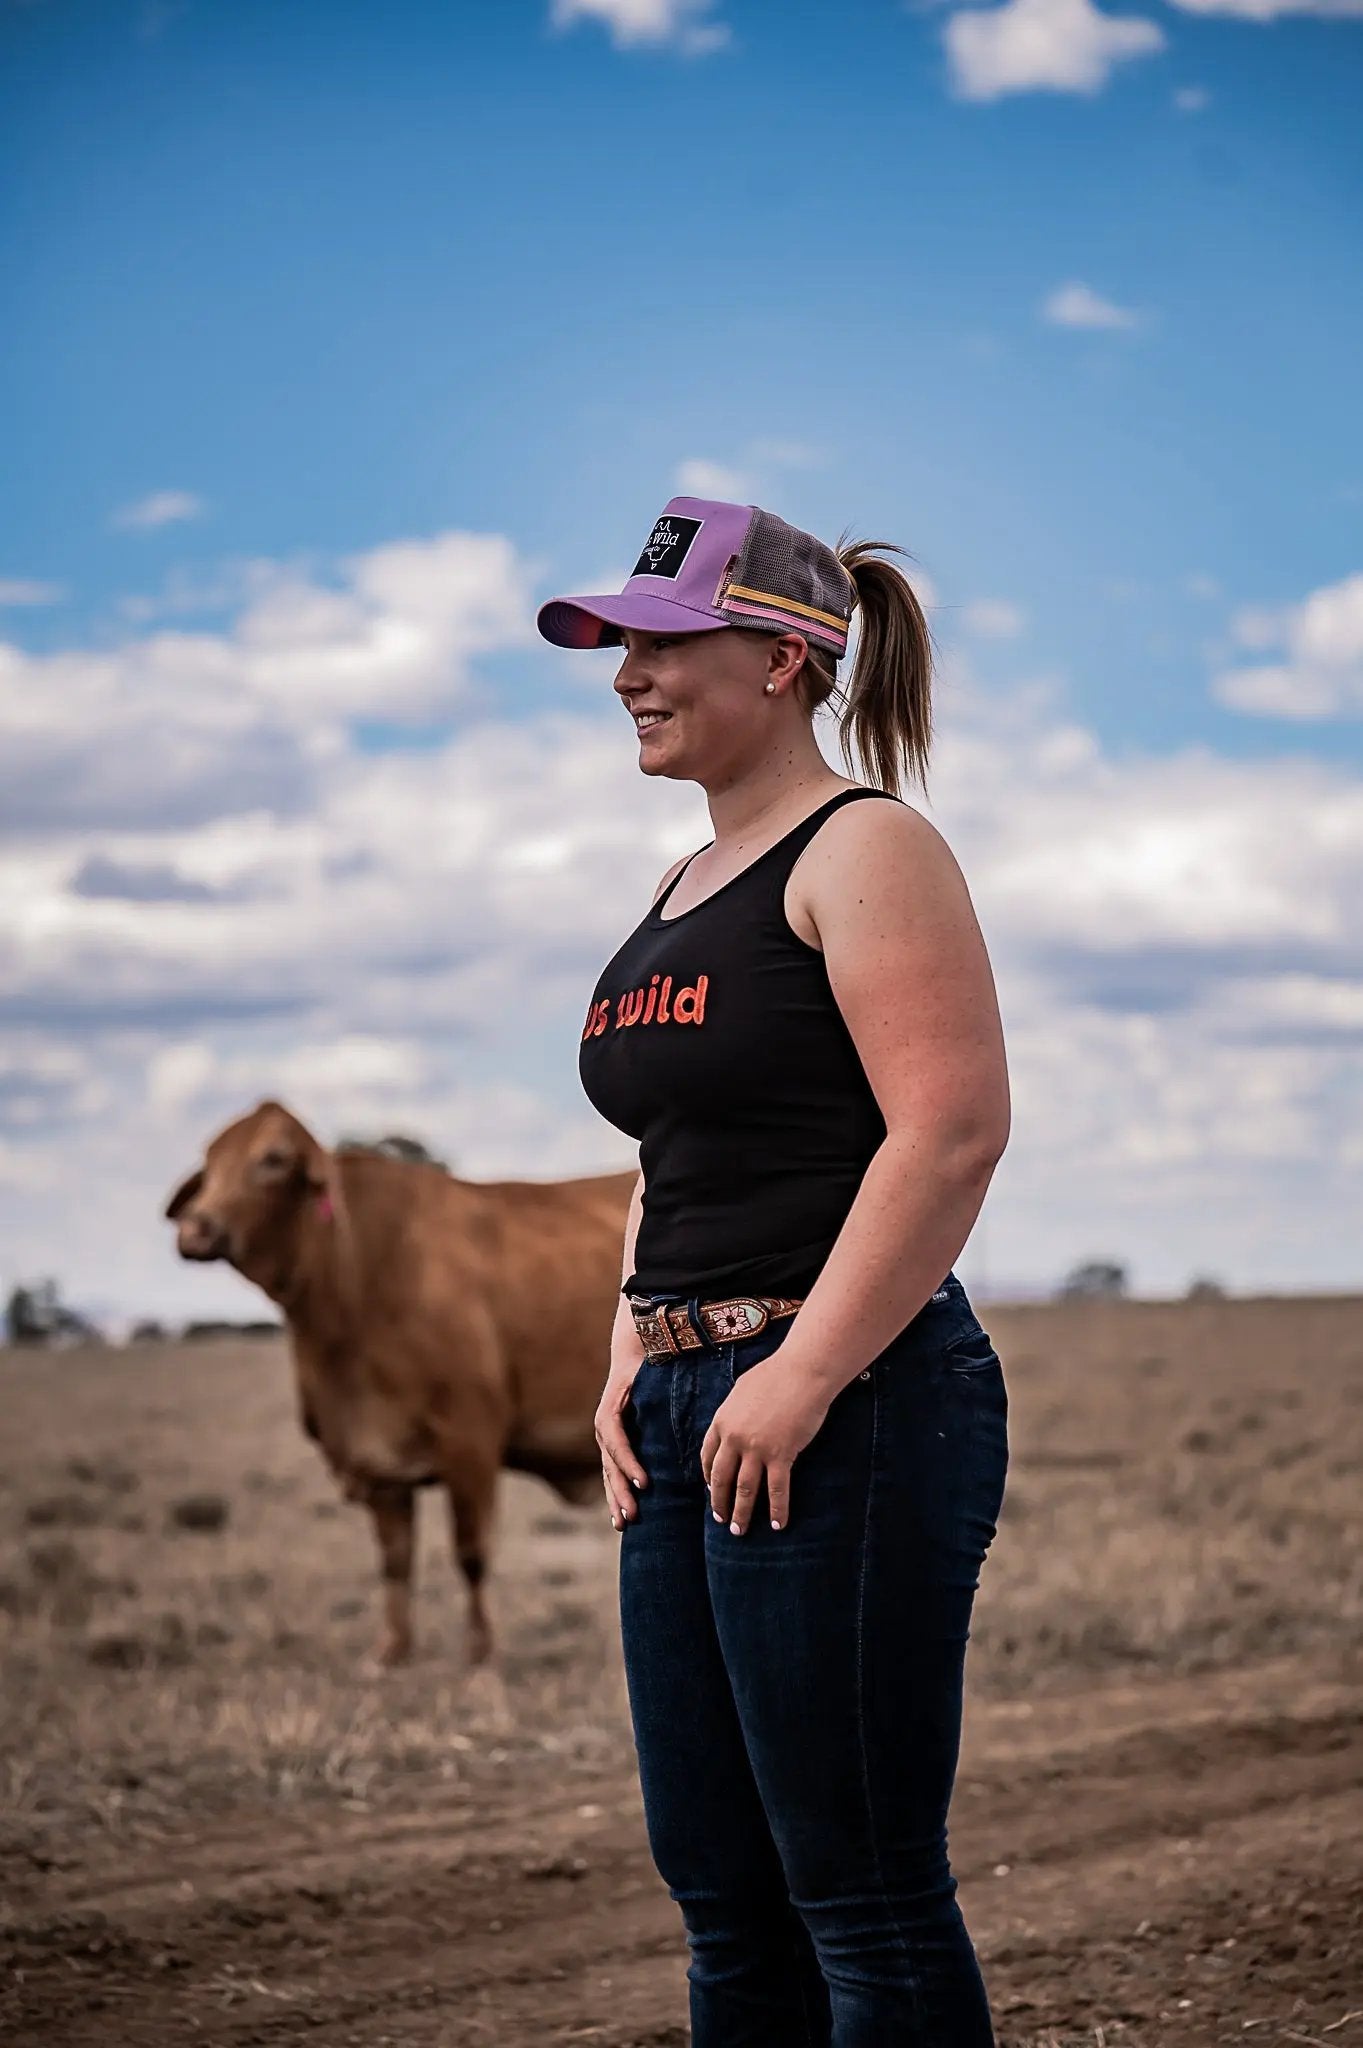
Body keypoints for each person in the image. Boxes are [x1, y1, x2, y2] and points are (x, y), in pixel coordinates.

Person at [538, 494, 1011, 2046]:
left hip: (846, 1395)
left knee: (860, 1895)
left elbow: (947, 1137)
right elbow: (678, 1158)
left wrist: (798, 1375)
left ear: (790, 657)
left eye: (667, 639)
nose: (626, 672)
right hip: (687, 1405)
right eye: (619, 643)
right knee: (725, 1903)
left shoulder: (866, 847)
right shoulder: (678, 894)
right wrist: (634, 1347)